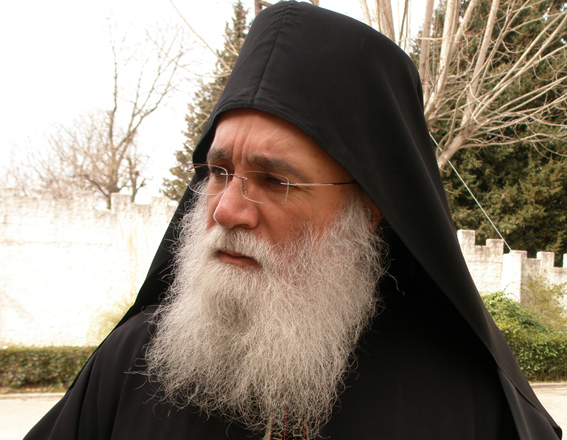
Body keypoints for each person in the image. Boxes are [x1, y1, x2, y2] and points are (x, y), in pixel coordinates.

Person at [26, 2, 561, 439]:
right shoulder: (131, 364)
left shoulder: (467, 404)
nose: (226, 209)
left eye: (275, 181)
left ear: (369, 210)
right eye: (218, 171)